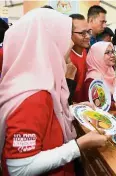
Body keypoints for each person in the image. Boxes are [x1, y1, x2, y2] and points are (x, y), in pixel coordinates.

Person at [0, 8, 109, 176]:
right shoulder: (34, 96)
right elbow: (19, 167)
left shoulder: (35, 83)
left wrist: (74, 109)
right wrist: (79, 146)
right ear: (47, 44)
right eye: (64, 38)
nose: (71, 44)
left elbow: (46, 117)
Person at [83, 41, 116, 110]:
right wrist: (115, 105)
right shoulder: (92, 79)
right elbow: (95, 106)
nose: (113, 55)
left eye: (112, 51)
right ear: (97, 56)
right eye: (107, 52)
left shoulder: (110, 71)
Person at [69, 14, 91, 103]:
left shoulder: (84, 51)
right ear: (69, 34)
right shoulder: (68, 59)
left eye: (88, 32)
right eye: (82, 33)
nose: (88, 36)